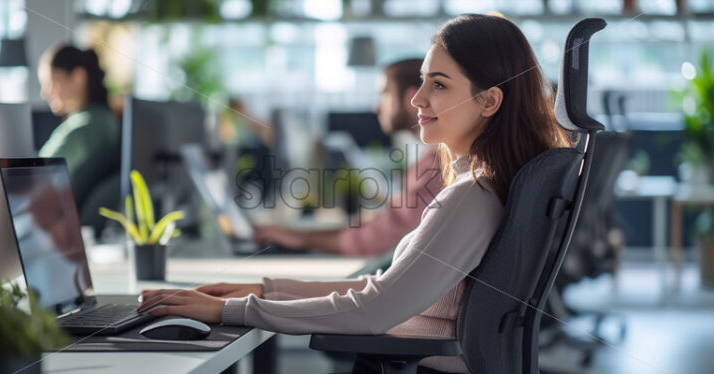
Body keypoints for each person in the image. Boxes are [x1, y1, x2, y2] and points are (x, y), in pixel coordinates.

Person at [140, 14, 571, 373]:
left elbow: (375, 309)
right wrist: (263, 288)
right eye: (422, 82)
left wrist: (228, 312)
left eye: (438, 85)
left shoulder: (470, 196)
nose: (418, 98)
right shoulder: (482, 186)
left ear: (489, 101)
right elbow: (385, 288)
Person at [254, 58, 443, 256]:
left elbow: (381, 238)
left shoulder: (436, 166)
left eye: (384, 94)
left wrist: (302, 239)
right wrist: (300, 235)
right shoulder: (429, 161)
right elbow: (383, 226)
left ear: (412, 99)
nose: (376, 108)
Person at [37, 44, 118, 178]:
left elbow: (35, 178)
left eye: (50, 83)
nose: (44, 93)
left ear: (78, 77)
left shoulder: (83, 128)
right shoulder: (104, 119)